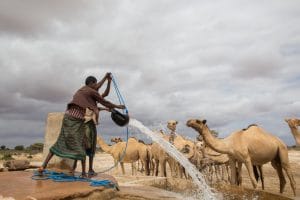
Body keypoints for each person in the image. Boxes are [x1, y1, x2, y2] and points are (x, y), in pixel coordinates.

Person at [38, 73, 125, 178]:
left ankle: (43, 166)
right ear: (92, 83)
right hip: (78, 121)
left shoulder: (83, 91)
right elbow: (105, 102)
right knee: (82, 146)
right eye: (96, 84)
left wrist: (107, 80)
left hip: (67, 118)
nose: (97, 86)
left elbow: (102, 97)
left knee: (60, 142)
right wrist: (118, 107)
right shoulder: (91, 92)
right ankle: (84, 173)